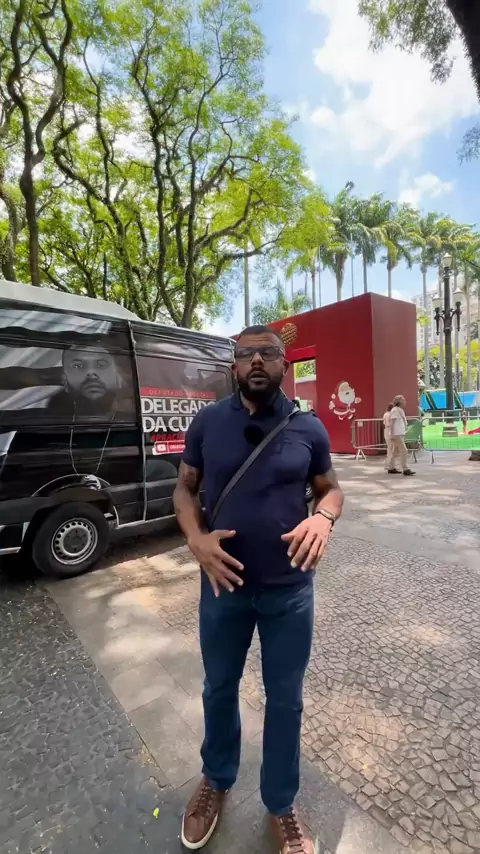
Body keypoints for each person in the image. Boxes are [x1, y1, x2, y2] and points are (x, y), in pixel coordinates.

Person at [173, 325, 344, 854]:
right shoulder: (207, 423)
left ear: (283, 366)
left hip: (289, 591)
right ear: (233, 366)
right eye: (245, 354)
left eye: (267, 353)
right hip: (222, 586)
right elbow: (184, 488)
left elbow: (331, 489)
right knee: (218, 689)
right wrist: (196, 539)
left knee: (286, 700)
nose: (255, 361)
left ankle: (281, 804)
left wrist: (323, 519)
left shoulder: (308, 428)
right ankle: (216, 779)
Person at [386, 394, 415, 476]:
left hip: (399, 433)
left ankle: (391, 467)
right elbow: (392, 423)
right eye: (403, 400)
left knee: (395, 451)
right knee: (404, 451)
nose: (405, 401)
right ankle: (405, 468)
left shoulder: (399, 410)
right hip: (396, 434)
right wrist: (392, 434)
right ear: (399, 401)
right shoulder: (395, 410)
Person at [382, 403, 393, 470]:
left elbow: (385, 423)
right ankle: (389, 464)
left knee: (389, 448)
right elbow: (389, 424)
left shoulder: (385, 414)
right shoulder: (390, 415)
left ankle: (387, 463)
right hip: (390, 431)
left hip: (386, 431)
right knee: (391, 449)